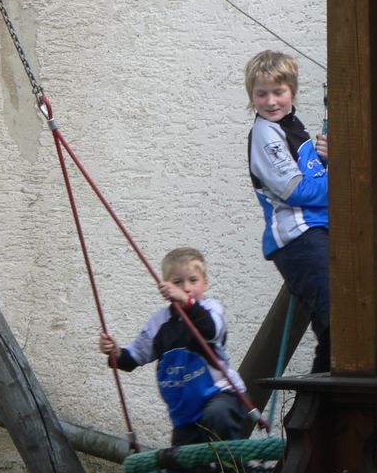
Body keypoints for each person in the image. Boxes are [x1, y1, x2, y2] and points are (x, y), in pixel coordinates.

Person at [99, 247, 249, 446]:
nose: (185, 288)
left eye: (193, 280)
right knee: (182, 458)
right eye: (177, 282)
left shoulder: (211, 309)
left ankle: (232, 464)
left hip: (222, 395)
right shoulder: (159, 323)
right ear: (165, 287)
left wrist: (187, 302)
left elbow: (210, 331)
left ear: (205, 283)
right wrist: (116, 352)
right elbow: (133, 357)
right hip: (185, 412)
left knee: (217, 417)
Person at [245, 50, 330, 373]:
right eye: (261, 94)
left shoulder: (294, 126)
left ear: (292, 90)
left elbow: (312, 177)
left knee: (343, 325)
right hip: (300, 239)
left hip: (317, 231)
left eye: (278, 92)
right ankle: (320, 400)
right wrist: (343, 176)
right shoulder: (266, 134)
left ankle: (324, 398)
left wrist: (326, 160)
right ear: (251, 96)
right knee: (336, 325)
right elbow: (297, 191)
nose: (270, 102)